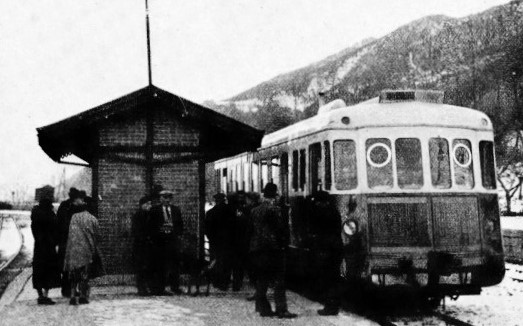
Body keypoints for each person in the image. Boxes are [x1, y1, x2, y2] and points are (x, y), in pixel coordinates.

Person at [249, 183, 296, 319]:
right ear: (275, 195)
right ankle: (282, 310)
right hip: (273, 249)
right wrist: (284, 244)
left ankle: (263, 308)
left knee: (262, 280)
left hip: (258, 249)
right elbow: (280, 230)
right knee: (279, 281)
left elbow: (250, 231)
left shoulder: (254, 210)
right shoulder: (275, 210)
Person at [63, 191, 102, 305]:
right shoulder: (93, 219)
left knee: (74, 275)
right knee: (84, 275)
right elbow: (98, 236)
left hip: (73, 250)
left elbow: (70, 233)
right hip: (86, 251)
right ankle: (83, 296)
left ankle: (72, 296)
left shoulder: (74, 218)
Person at [308, 191, 343, 316]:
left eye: (318, 202)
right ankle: (333, 305)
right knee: (333, 279)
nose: (316, 204)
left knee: (329, 280)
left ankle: (331, 307)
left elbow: (321, 234)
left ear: (322, 202)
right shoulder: (334, 212)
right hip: (335, 249)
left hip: (327, 251)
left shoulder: (323, 214)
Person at [148, 189, 184, 295]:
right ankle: (160, 288)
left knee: (175, 265)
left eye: (169, 198)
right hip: (160, 243)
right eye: (164, 198)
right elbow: (151, 226)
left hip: (173, 241)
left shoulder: (176, 210)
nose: (167, 200)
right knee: (160, 266)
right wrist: (160, 232)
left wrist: (175, 232)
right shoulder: (154, 210)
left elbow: (180, 225)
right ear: (160, 199)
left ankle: (175, 287)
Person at [31, 196, 60, 305]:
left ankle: (40, 295)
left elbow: (34, 230)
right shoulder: (50, 214)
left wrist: (39, 239)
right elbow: (56, 228)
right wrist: (54, 241)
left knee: (39, 271)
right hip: (49, 247)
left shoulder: (36, 214)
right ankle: (46, 295)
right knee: (49, 271)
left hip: (39, 247)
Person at [205, 192, 234, 290]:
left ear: (215, 201)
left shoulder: (210, 213)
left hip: (215, 241)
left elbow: (207, 229)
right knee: (226, 262)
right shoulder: (230, 211)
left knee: (215, 261)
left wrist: (211, 238)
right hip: (228, 241)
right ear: (224, 200)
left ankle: (216, 281)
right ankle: (225, 282)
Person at [56, 187, 80, 297]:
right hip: (70, 240)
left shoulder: (63, 205)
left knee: (66, 266)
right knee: (72, 266)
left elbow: (58, 222)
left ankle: (66, 290)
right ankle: (71, 289)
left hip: (64, 240)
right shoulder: (74, 207)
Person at [131, 195, 152, 296]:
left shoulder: (150, 215)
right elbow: (136, 231)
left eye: (150, 204)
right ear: (141, 205)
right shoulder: (138, 216)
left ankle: (146, 287)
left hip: (148, 246)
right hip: (140, 246)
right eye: (147, 204)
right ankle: (141, 288)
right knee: (140, 268)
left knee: (147, 267)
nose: (149, 206)